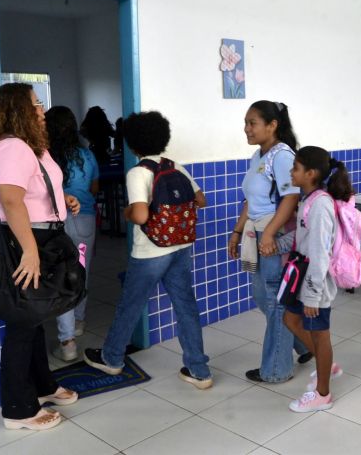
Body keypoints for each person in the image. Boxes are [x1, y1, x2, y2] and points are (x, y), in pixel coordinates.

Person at [0, 83, 81, 430]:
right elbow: (10, 200)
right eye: (35, 105)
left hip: (38, 237)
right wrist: (30, 252)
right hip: (22, 243)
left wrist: (61, 202)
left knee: (35, 319)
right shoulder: (12, 147)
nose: (41, 110)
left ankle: (43, 386)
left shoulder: (31, 147)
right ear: (16, 110)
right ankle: (18, 411)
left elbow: (33, 192)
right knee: (22, 326)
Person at [83, 111, 212, 389]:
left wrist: (127, 212)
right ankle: (199, 370)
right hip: (180, 246)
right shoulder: (175, 166)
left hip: (151, 251)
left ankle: (112, 358)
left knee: (131, 304)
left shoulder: (138, 172)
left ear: (132, 144)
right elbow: (201, 200)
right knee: (186, 306)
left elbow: (141, 215)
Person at [228, 101, 310, 383]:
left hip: (274, 236)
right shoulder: (259, 155)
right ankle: (304, 344)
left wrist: (270, 234)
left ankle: (276, 369)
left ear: (272, 125)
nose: (246, 129)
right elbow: (251, 200)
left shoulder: (282, 156)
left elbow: (291, 197)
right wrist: (237, 231)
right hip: (258, 233)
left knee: (276, 302)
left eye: (252, 123)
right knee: (264, 298)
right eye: (246, 123)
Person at [278, 147, 347, 412]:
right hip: (304, 277)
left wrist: (312, 296)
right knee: (291, 319)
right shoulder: (309, 199)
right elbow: (303, 237)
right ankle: (326, 367)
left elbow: (319, 254)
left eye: (295, 167)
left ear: (311, 173)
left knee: (320, 335)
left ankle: (323, 395)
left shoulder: (320, 205)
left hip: (315, 283)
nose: (291, 172)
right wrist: (277, 244)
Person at [45, 106, 99, 361]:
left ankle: (67, 342)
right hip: (84, 220)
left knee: (61, 278)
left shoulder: (46, 157)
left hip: (55, 223)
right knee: (81, 272)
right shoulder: (87, 154)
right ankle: (78, 322)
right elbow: (94, 188)